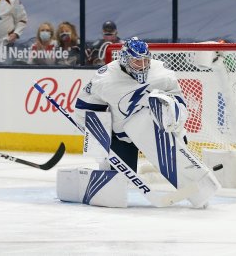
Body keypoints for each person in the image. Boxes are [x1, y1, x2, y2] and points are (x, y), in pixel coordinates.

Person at [73, 37, 219, 208]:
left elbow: (180, 104)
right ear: (125, 60)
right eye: (137, 62)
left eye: (145, 60)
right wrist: (98, 136)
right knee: (113, 190)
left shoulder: (161, 72)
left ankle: (197, 187)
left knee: (161, 101)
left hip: (160, 129)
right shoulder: (104, 78)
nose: (142, 65)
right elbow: (86, 108)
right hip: (122, 137)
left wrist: (176, 128)